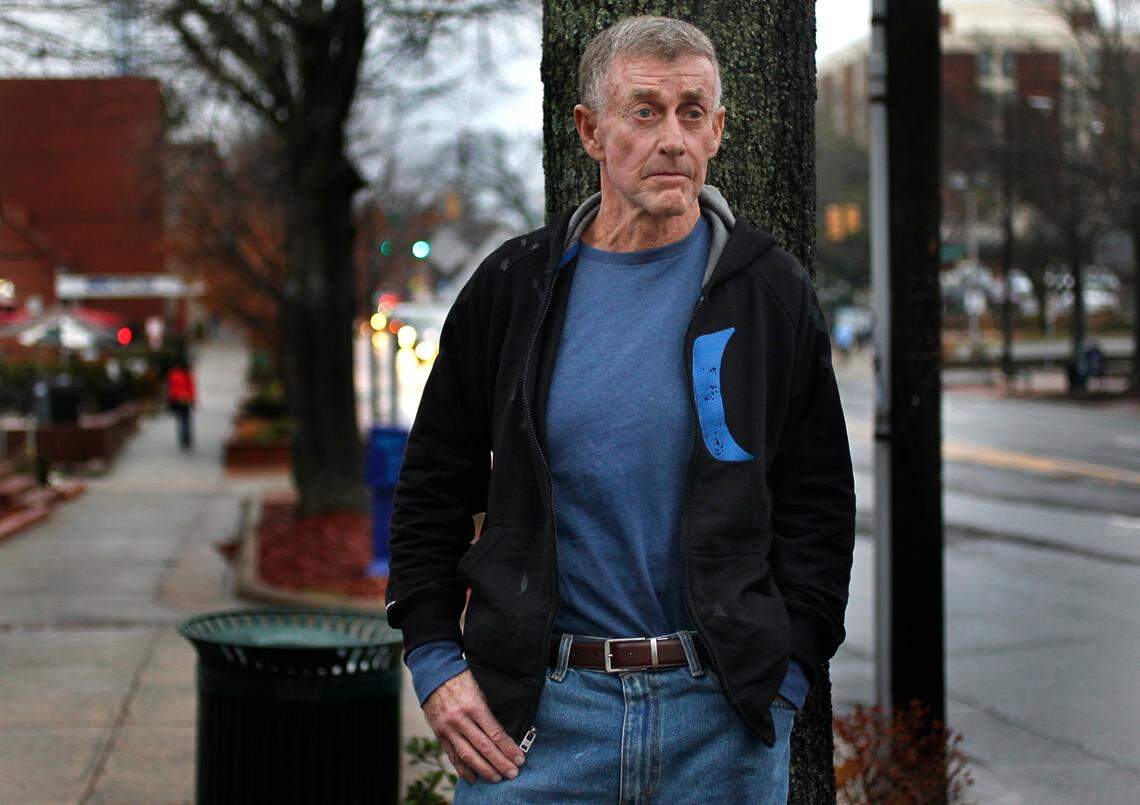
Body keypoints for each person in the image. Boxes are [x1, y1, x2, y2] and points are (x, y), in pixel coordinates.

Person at [386, 16, 855, 803]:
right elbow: (432, 489)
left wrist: (788, 677)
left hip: (720, 728)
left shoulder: (768, 292)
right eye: (644, 111)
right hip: (534, 727)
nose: (672, 139)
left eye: (692, 113)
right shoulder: (513, 288)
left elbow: (820, 507)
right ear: (590, 130)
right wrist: (436, 662)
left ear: (717, 131)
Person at [166, 360, 196, 450]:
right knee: (186, 420)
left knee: (179, 420)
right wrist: (193, 399)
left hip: (176, 399)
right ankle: (187, 439)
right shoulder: (187, 374)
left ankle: (183, 439)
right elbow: (191, 387)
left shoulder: (173, 374)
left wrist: (171, 399)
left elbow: (171, 388)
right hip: (185, 399)